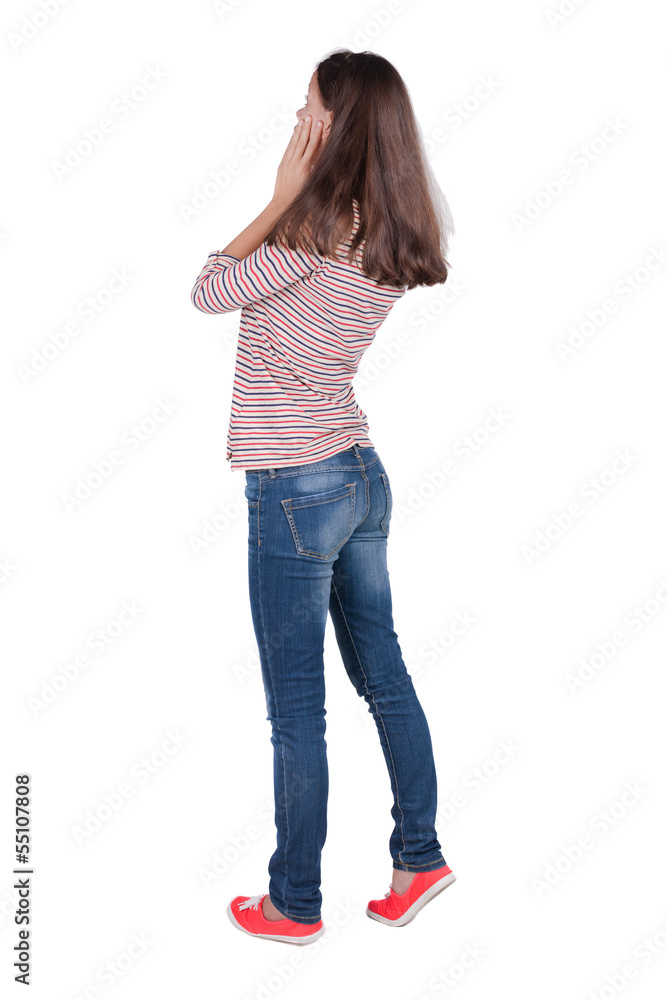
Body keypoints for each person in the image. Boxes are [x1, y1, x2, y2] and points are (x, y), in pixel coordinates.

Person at [191, 48, 456, 945]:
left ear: (332, 126)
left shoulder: (305, 231)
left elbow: (206, 290)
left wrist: (277, 190)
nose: (295, 119)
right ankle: (417, 858)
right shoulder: (386, 231)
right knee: (383, 677)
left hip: (297, 490)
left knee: (297, 708)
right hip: (357, 477)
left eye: (305, 108)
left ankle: (293, 903)